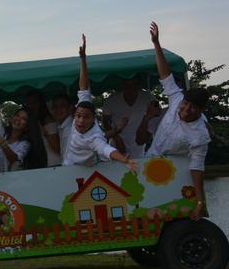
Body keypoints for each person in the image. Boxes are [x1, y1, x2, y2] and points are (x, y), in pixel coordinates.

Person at [147, 22, 210, 219]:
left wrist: (200, 201)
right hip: (148, 160)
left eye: (192, 107)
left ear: (200, 110)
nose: (185, 109)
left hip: (171, 174)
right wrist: (157, 43)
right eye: (185, 103)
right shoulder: (176, 98)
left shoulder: (200, 135)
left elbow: (197, 169)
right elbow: (165, 74)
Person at [63, 35, 138, 172]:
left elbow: (106, 149)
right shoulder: (82, 107)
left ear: (93, 119)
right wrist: (83, 59)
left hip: (84, 174)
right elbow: (84, 86)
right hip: (66, 167)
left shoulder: (95, 137)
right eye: (78, 115)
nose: (80, 120)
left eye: (86, 117)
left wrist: (124, 160)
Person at [102, 76, 154, 159]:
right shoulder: (112, 99)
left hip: (138, 150)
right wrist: (116, 137)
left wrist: (147, 134)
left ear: (139, 86)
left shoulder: (148, 98)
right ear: (122, 86)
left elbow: (155, 116)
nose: (130, 88)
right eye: (127, 85)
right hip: (115, 148)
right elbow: (104, 121)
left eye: (134, 84)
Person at [45, 93, 74, 166]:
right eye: (55, 106)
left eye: (62, 105)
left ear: (70, 108)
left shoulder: (71, 128)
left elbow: (68, 159)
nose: (58, 109)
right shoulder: (62, 127)